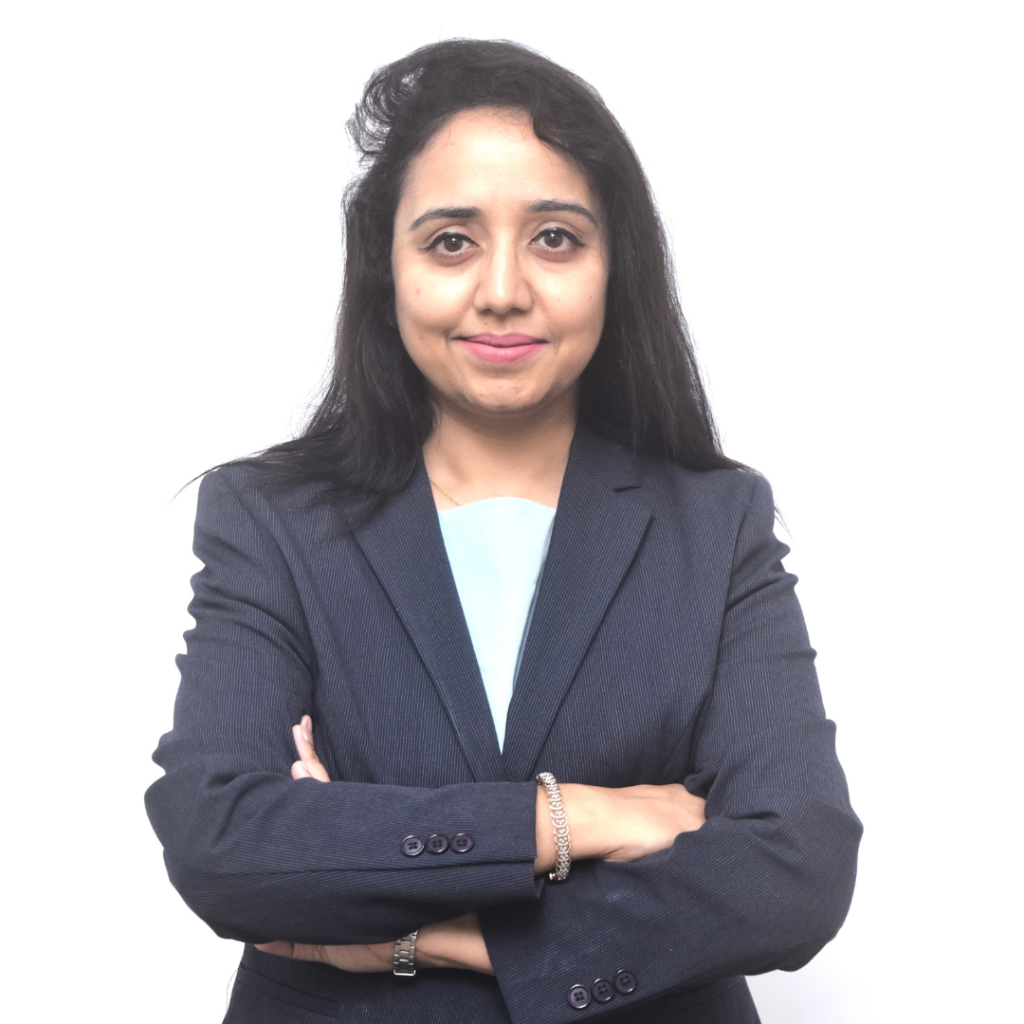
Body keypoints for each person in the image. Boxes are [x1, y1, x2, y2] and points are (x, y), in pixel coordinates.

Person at [145, 39, 861, 1024]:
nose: (503, 290)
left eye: (555, 238)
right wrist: (586, 817)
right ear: (385, 268)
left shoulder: (714, 522)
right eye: (451, 241)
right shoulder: (269, 519)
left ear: (615, 266)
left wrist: (429, 934)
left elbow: (796, 870)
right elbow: (223, 841)